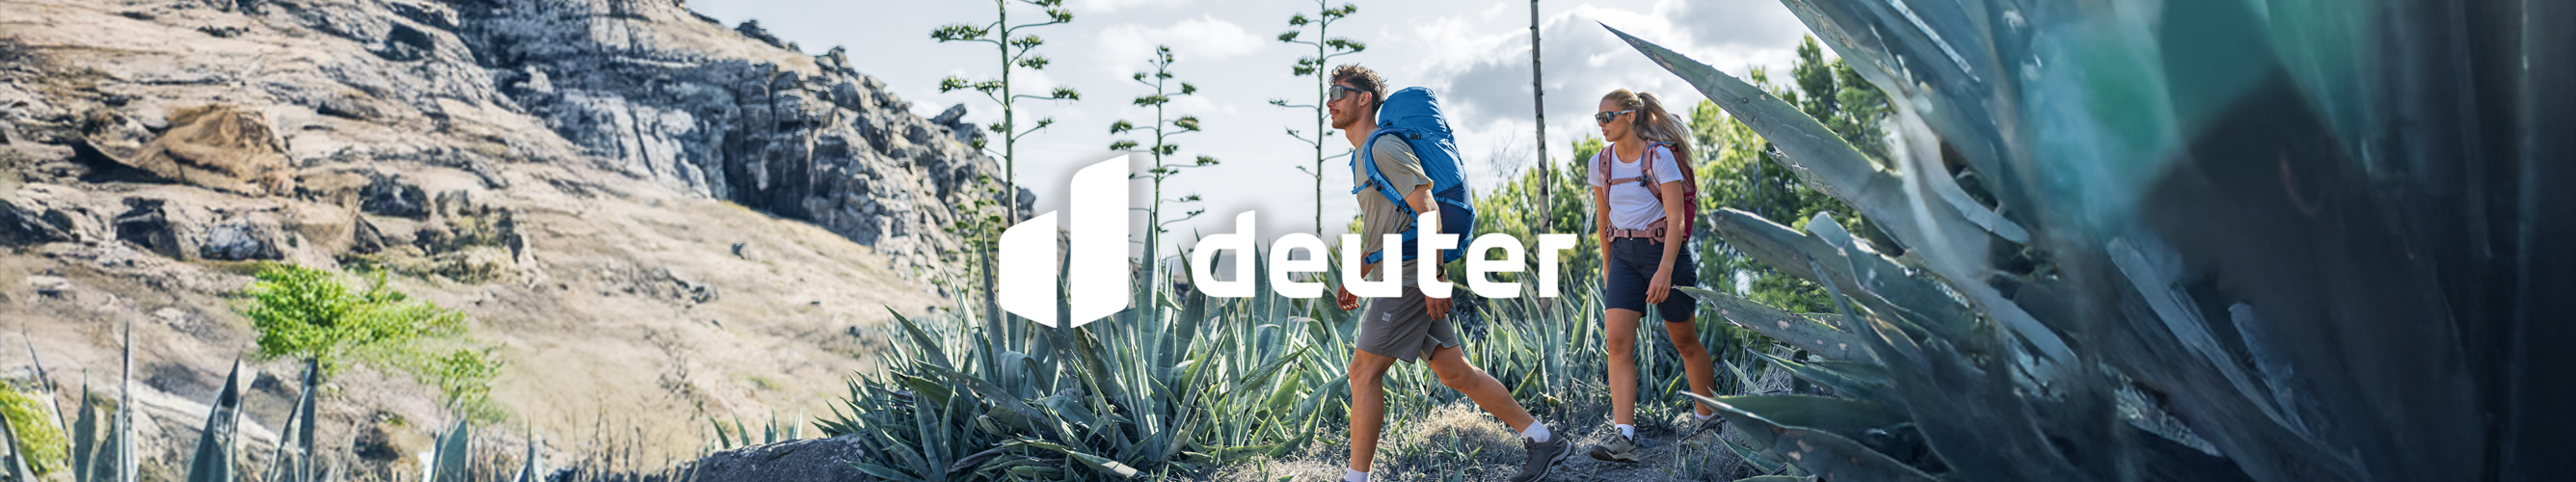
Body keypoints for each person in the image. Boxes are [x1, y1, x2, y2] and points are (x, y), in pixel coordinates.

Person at [1328, 65, 1570, 482]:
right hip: (1398, 271)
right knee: (1455, 372)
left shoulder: (1384, 146)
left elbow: (1428, 209)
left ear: (1364, 99)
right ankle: (1544, 439)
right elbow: (1387, 224)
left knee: (1363, 372)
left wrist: (1434, 278)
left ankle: (1355, 479)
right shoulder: (1360, 156)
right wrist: (1361, 268)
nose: (1329, 100)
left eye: (1338, 91)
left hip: (1410, 276)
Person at [1583, 89, 1722, 463]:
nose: (1602, 125)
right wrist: (1609, 266)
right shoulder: (1600, 163)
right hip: (1625, 257)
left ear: (1630, 116)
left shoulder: (1659, 157)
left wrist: (1664, 270)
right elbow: (1603, 218)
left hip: (1666, 255)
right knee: (1617, 343)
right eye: (1598, 118)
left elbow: (1676, 219)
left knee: (1685, 341)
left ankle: (1707, 426)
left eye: (1608, 117)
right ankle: (1623, 437)